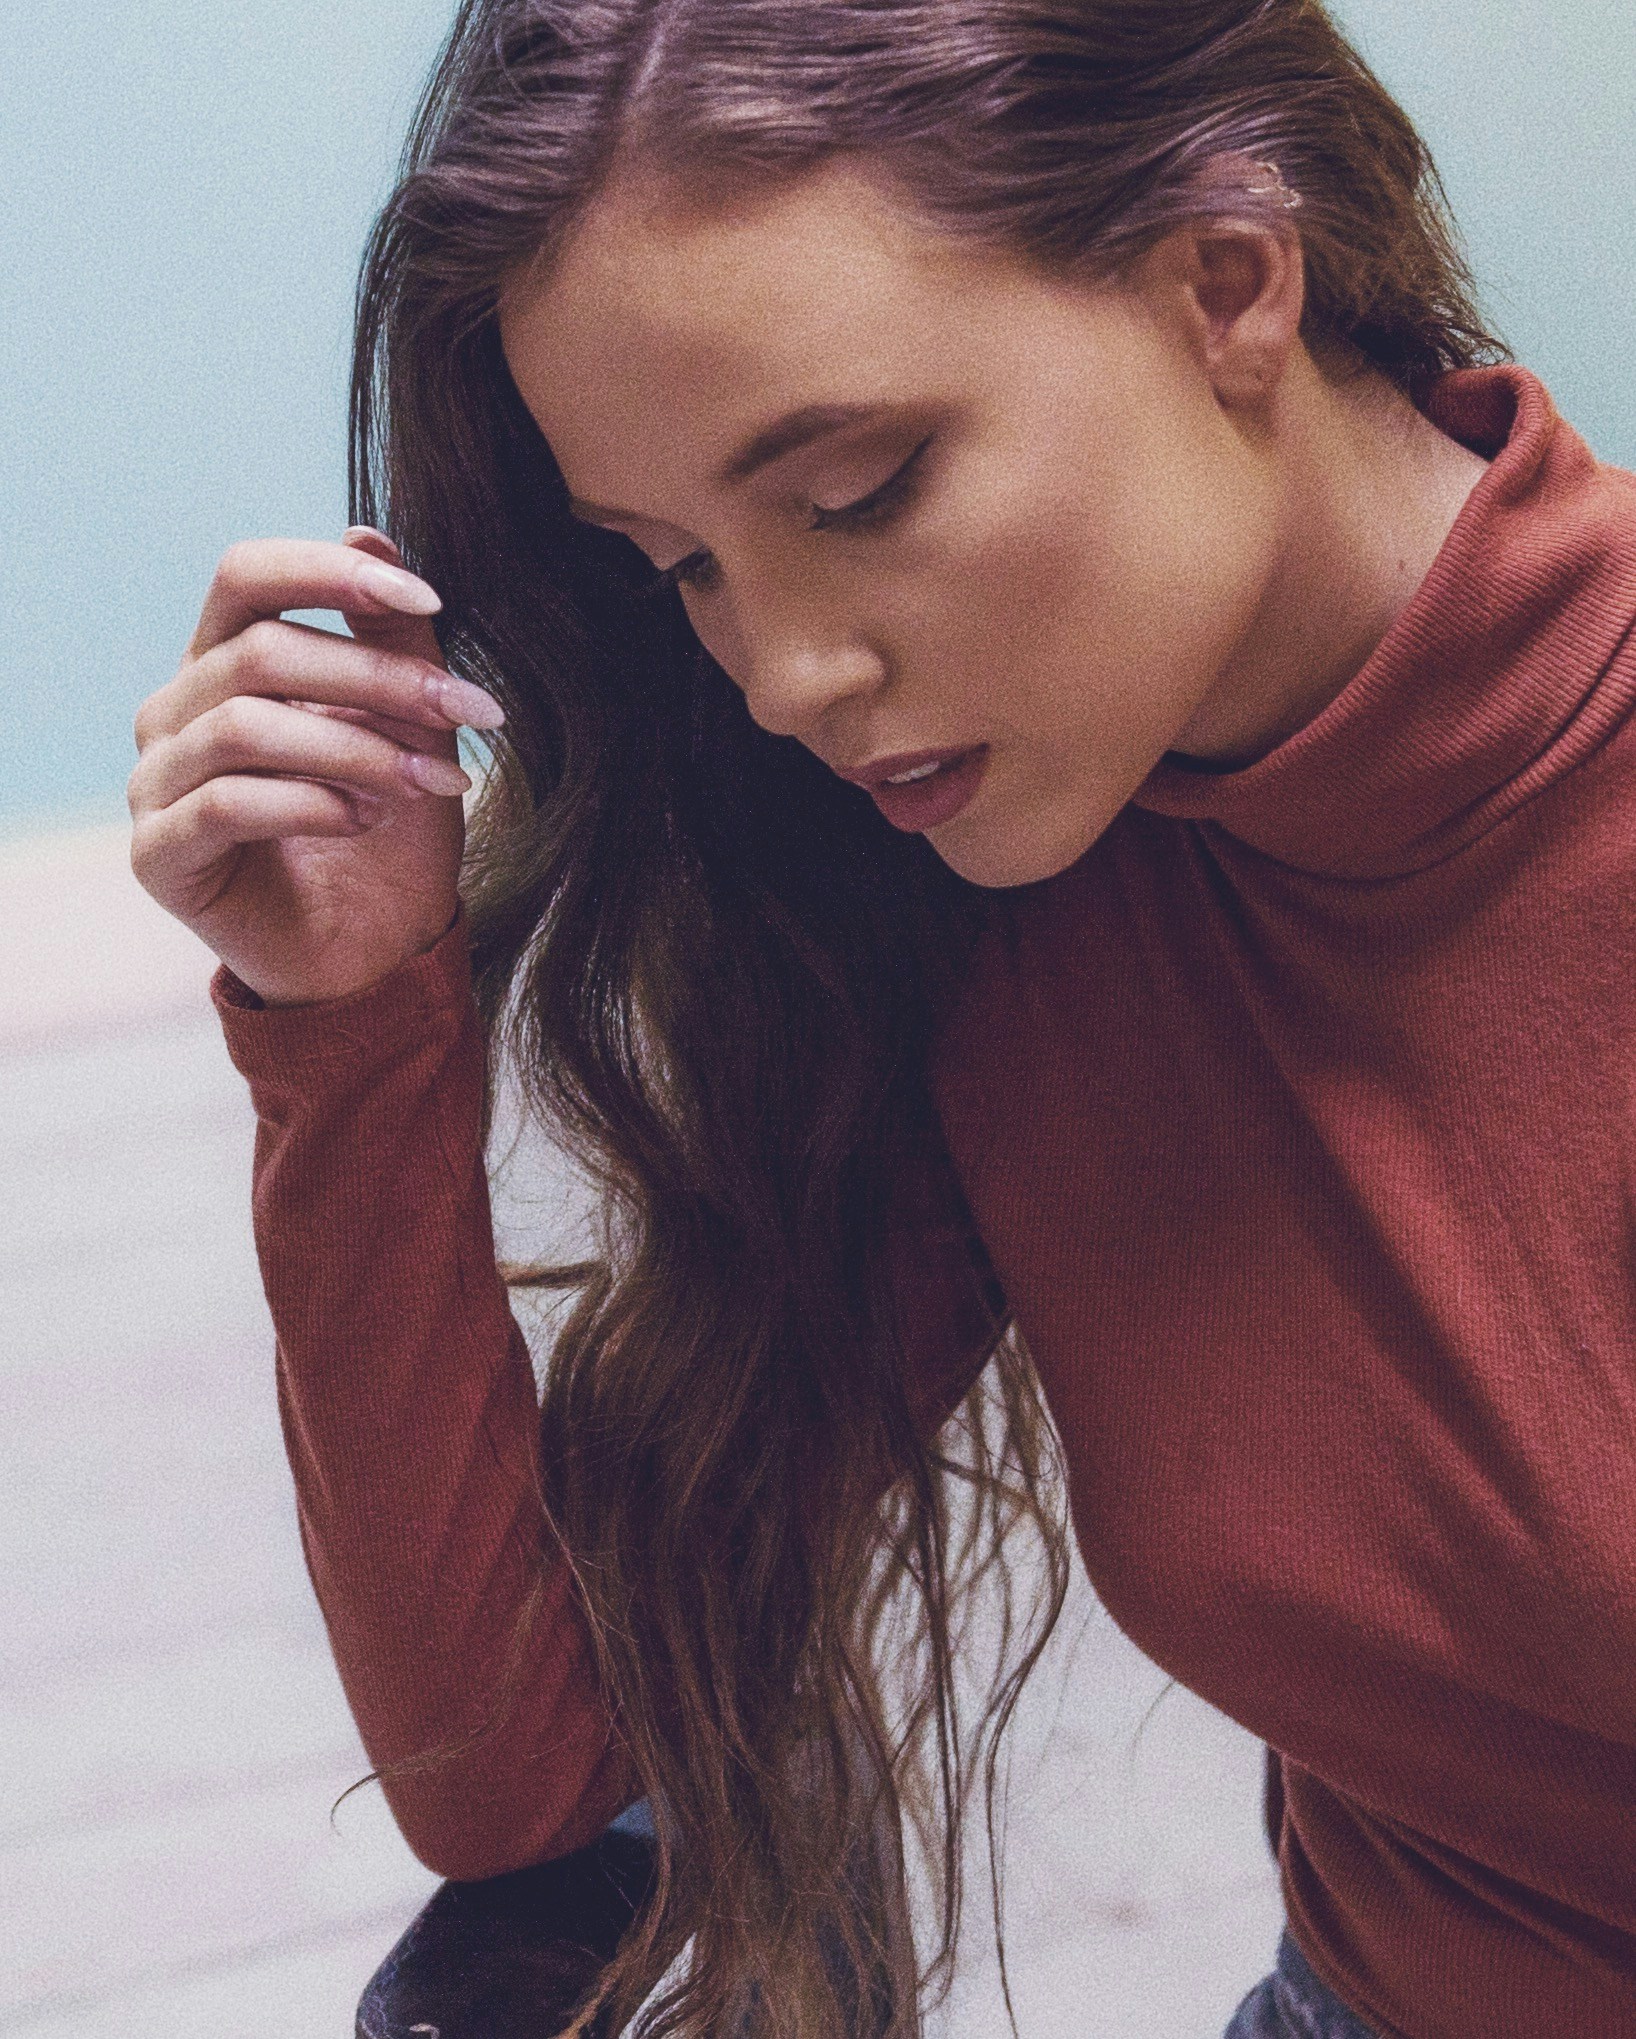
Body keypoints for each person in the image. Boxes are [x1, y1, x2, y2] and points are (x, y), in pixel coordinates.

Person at [127, 1, 1636, 2034]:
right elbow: (519, 1779)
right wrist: (344, 1024)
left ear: (1225, 282)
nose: (779, 680)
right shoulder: (996, 878)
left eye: (853, 492)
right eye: (676, 570)